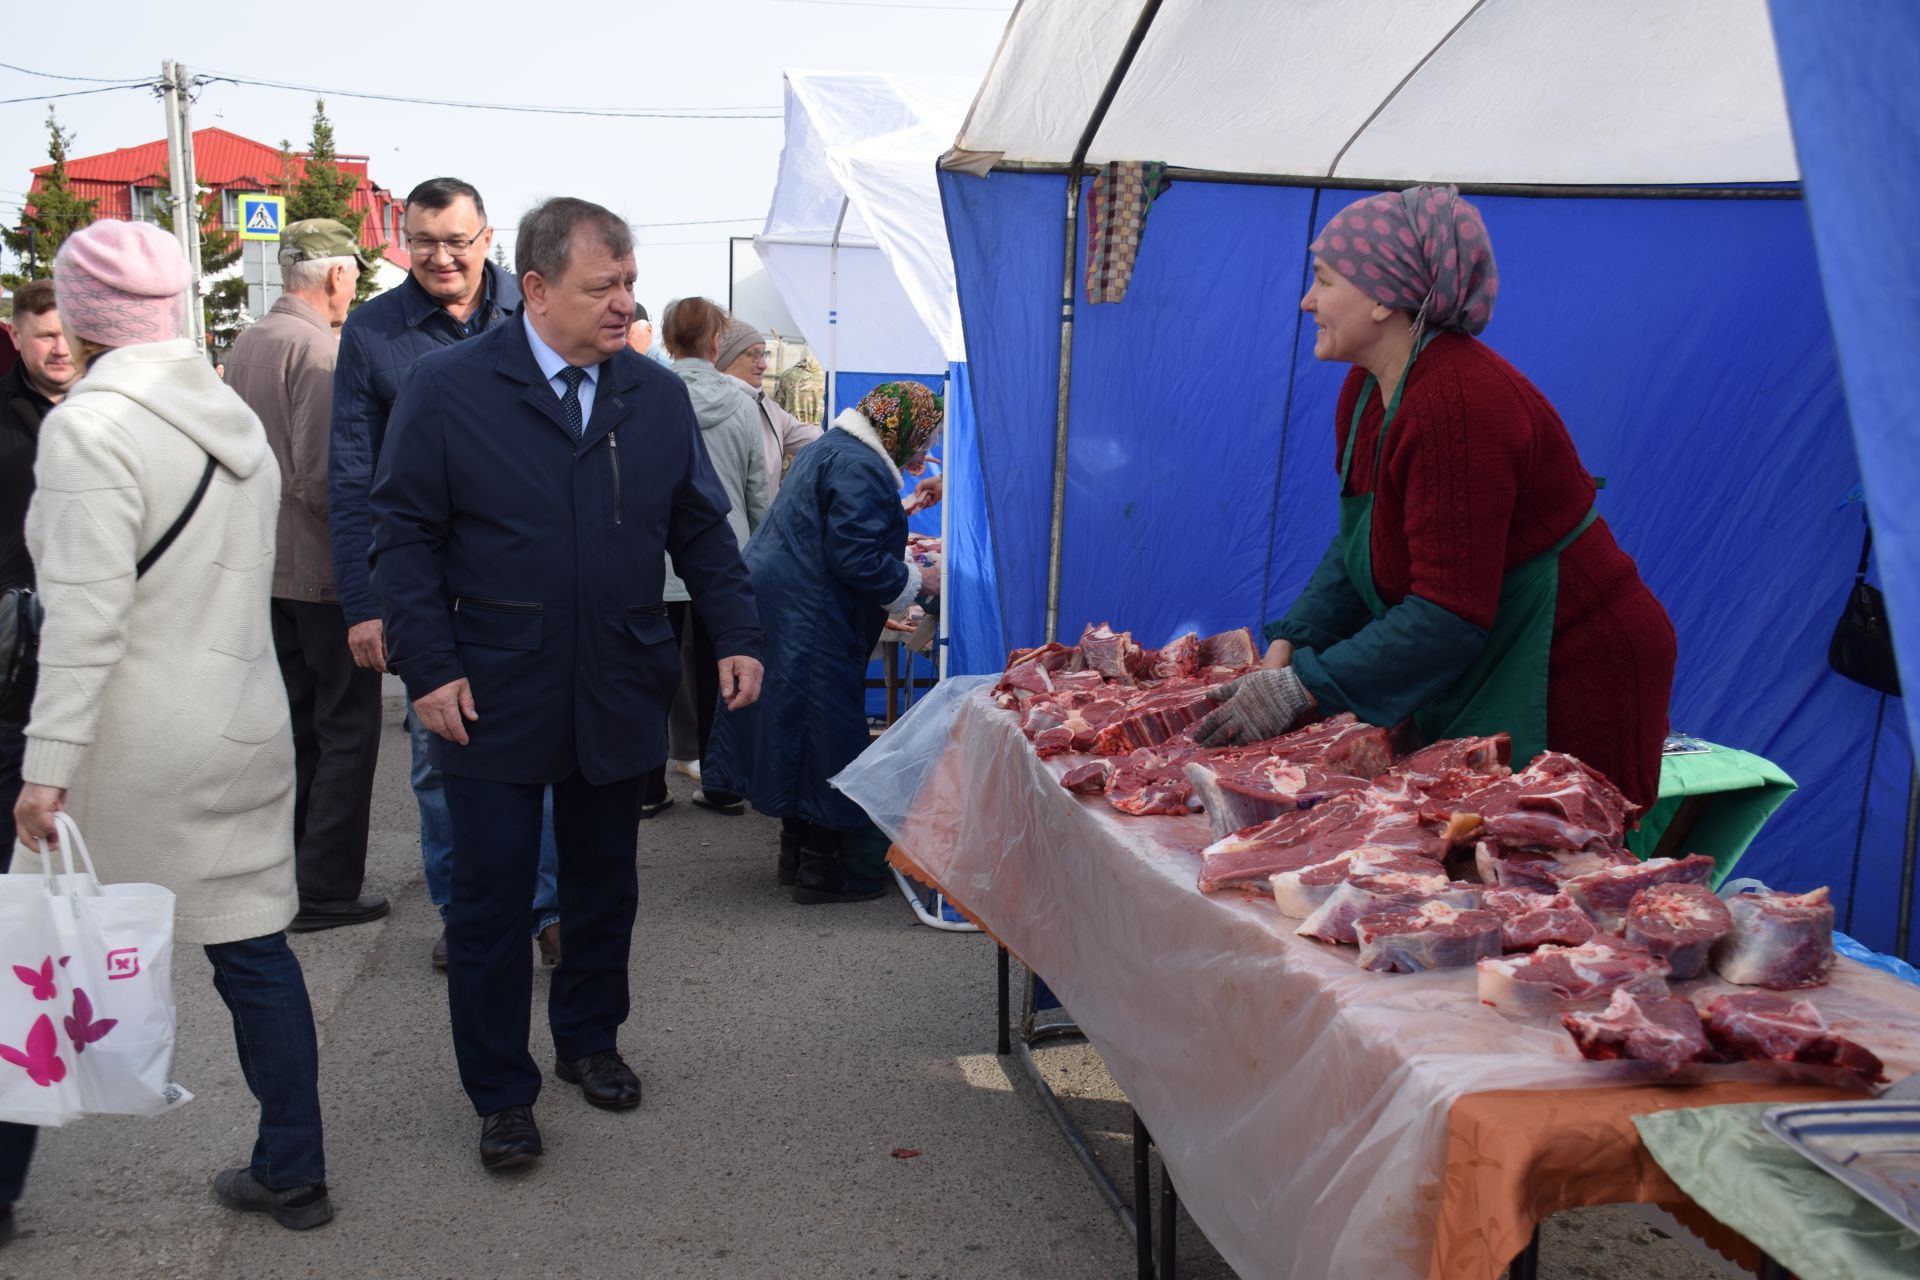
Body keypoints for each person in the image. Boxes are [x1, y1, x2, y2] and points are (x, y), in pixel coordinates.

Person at [369, 197, 763, 1171]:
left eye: (631, 283)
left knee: (603, 885)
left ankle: (589, 1040)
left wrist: (738, 630)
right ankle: (501, 1092)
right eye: (605, 287)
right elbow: (403, 538)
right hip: (489, 686)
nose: (627, 305)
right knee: (494, 900)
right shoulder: (451, 388)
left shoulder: (656, 395)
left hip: (616, 677)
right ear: (537, 290)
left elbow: (701, 526)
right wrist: (429, 667)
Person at [11, 220, 332, 1232]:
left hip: (132, 744)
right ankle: (295, 1167)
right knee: (253, 953)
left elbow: (84, 620)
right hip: (243, 724)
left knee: (39, 958)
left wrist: (45, 766)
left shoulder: (89, 429)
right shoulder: (227, 418)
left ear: (89, 314)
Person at [1195, 186, 1676, 808]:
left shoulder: (1457, 403)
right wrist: (1292, 641)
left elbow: (1448, 615)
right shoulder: (1367, 391)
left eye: (1324, 280)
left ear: (1381, 297)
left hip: (1572, 660)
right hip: (1488, 648)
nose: (1307, 300)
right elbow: (1358, 543)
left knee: (1550, 859)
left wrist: (1307, 687)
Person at [330, 177, 563, 970]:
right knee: (439, 758)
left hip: (534, 583)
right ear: (404, 238)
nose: (441, 256)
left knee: (548, 754)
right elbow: (353, 474)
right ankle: (465, 913)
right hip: (430, 590)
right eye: (424, 240)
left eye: (457, 241)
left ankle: (549, 909)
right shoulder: (373, 334)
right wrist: (365, 606)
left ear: (486, 238)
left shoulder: (537, 311)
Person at [705, 382, 942, 904]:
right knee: (826, 732)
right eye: (925, 437)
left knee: (794, 724)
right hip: (810, 610)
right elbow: (855, 556)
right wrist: (921, 582)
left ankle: (796, 855)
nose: (927, 449)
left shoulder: (833, 449)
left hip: (783, 600)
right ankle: (823, 870)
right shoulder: (858, 465)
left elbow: (834, 528)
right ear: (897, 430)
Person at [226, 219, 387, 932]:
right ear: (334, 276)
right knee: (348, 727)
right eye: (353, 273)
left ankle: (291, 869)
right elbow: (328, 480)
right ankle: (326, 885)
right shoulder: (319, 351)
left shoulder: (251, 340)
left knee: (297, 726)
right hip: (323, 572)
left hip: (267, 567)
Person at [0, 278, 76, 1244]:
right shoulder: (14, 427)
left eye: (68, 334)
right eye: (41, 335)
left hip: (67, 695)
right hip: (13, 689)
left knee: (28, 943)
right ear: (14, 337)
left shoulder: (104, 421)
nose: (57, 348)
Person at [647, 299, 770, 816]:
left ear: (670, 340)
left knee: (652, 675)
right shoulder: (743, 404)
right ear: (716, 342)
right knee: (723, 675)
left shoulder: (647, 395)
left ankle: (646, 789)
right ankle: (720, 784)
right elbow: (756, 490)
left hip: (658, 559)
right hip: (725, 556)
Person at [716, 317, 820, 497]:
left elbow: (813, 438)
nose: (764, 364)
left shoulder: (765, 405)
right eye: (754, 355)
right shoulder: (713, 405)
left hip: (764, 522)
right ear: (729, 358)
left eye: (764, 355)